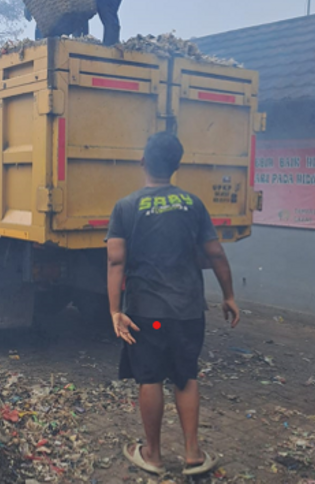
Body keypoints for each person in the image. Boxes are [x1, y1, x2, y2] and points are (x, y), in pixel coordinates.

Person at [106, 132, 240, 477]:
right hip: (187, 309)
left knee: (149, 377)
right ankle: (193, 454)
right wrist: (228, 295)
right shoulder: (193, 204)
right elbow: (215, 252)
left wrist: (114, 310)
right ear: (177, 166)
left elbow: (116, 262)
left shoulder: (126, 206)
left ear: (143, 162)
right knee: (185, 376)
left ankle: (152, 455)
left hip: (145, 312)